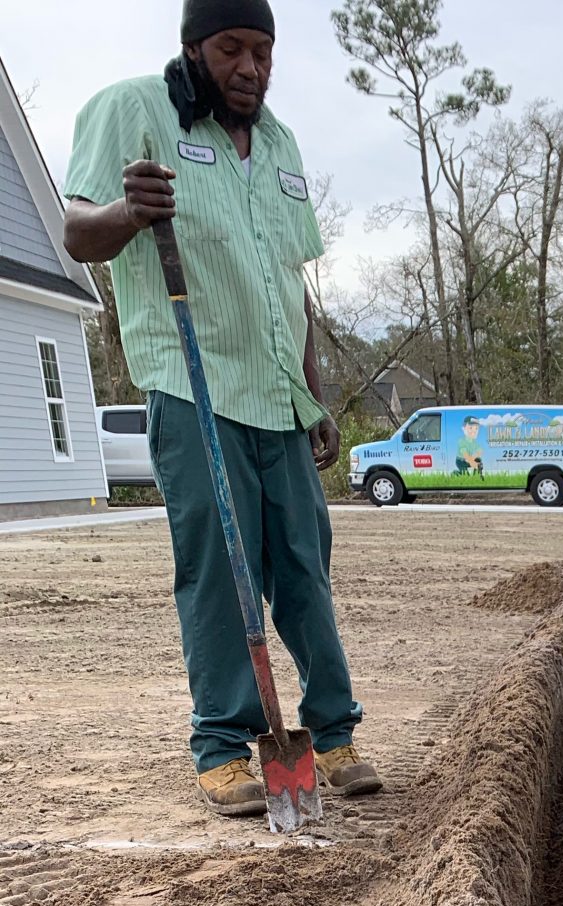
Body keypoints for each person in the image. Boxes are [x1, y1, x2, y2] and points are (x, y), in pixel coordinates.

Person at [63, 1, 382, 816]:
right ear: (193, 48)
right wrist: (129, 213)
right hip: (192, 381)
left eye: (264, 52)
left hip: (279, 394)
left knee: (305, 569)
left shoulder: (279, 144)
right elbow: (76, 231)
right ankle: (221, 745)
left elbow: (291, 285)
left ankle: (334, 731)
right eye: (232, 49)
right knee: (219, 573)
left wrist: (314, 394)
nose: (250, 68)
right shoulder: (132, 110)